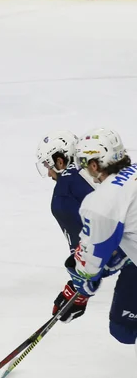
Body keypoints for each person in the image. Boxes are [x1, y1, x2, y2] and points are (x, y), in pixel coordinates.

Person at [56, 128, 137, 349]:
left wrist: (79, 287)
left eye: (83, 163)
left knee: (124, 329)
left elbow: (89, 265)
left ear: (94, 164)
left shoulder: (102, 202)